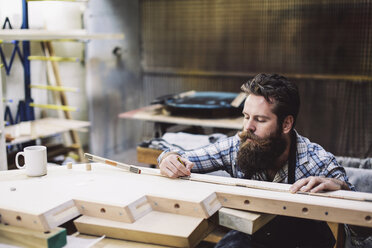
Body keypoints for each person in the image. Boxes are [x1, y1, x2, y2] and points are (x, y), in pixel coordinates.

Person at [157, 73, 354, 248]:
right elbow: (183, 158)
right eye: (246, 116)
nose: (247, 127)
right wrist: (168, 158)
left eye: (259, 120)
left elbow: (362, 229)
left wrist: (342, 188)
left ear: (286, 124)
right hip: (251, 239)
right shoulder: (239, 146)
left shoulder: (316, 162)